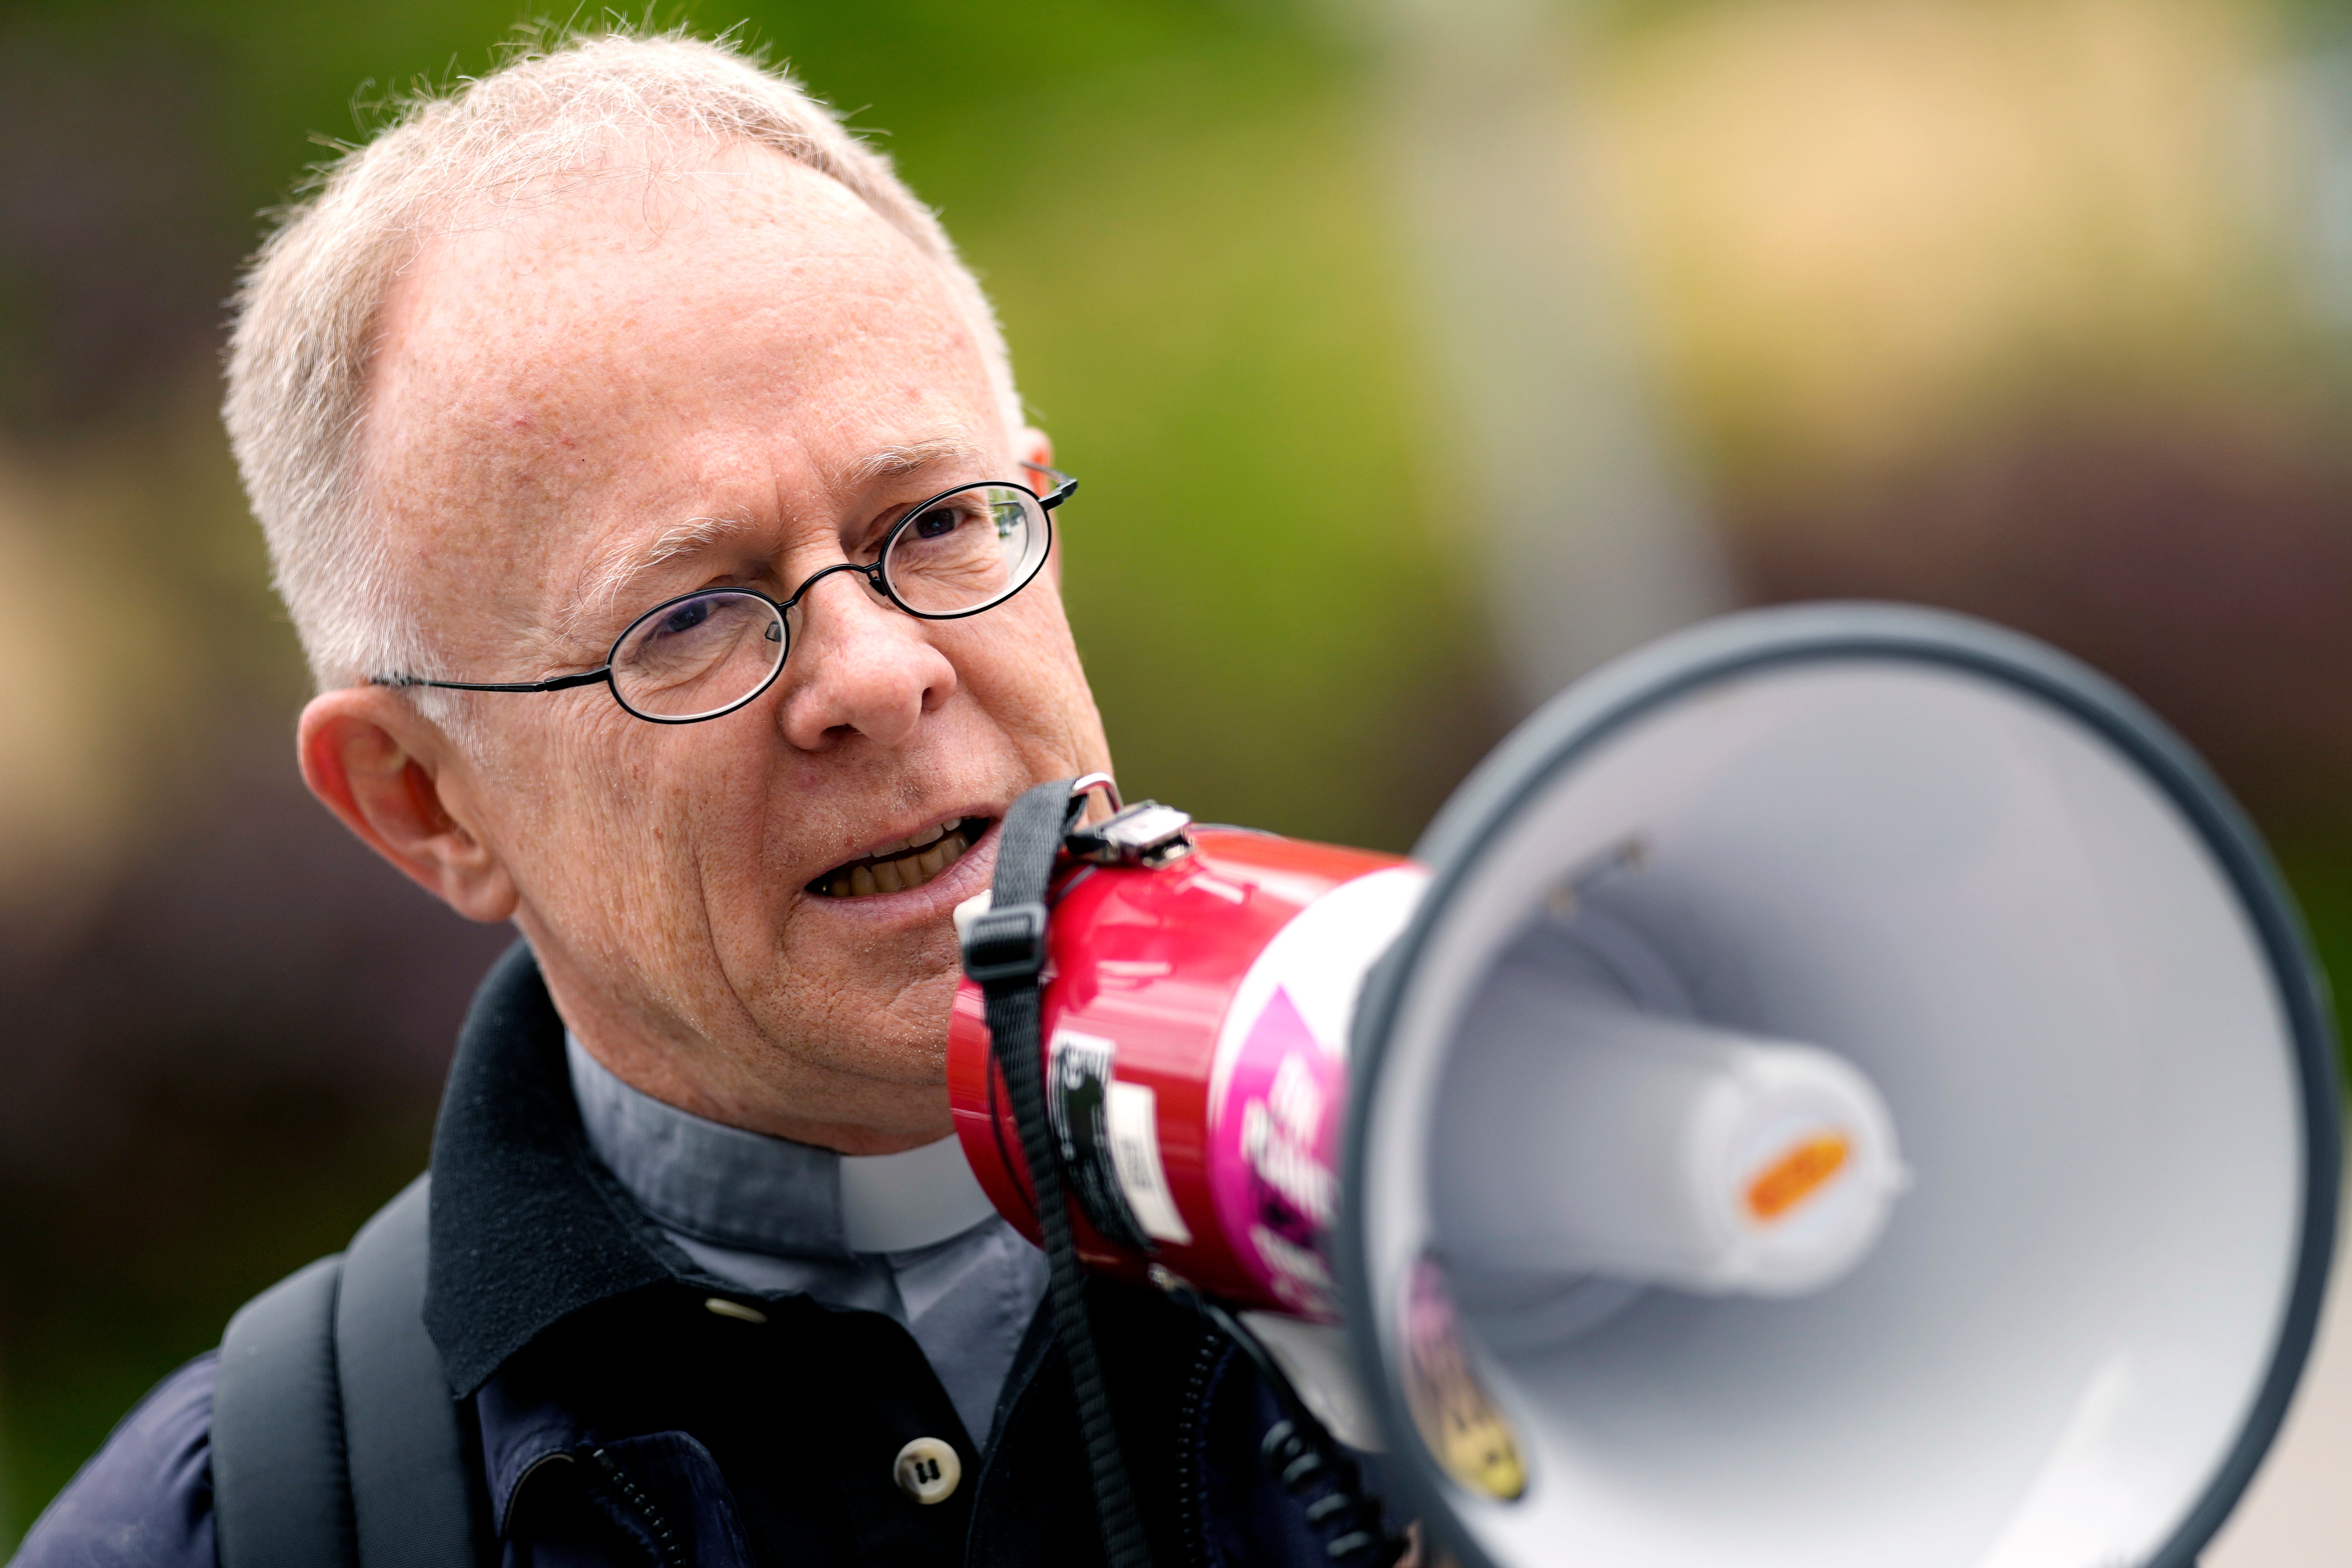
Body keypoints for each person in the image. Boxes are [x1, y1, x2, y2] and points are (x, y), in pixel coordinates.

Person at [13, 27, 1390, 1568]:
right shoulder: (228, 1535)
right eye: (688, 618)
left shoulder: (1512, 1180)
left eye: (939, 522)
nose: (877, 673)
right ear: (424, 804)